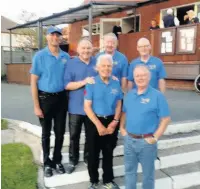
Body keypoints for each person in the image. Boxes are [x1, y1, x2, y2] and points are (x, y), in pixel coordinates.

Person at [120, 65, 171, 189]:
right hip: (129, 141)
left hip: (147, 142)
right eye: (137, 76)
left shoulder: (157, 96)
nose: (140, 78)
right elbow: (124, 112)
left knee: (148, 175)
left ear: (149, 77)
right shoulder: (130, 95)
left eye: (143, 75)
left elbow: (166, 119)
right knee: (129, 172)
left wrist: (155, 137)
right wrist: (121, 127)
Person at [30, 26, 70, 177]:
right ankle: (47, 163)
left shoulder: (66, 56)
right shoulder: (39, 56)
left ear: (60, 38)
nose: (55, 37)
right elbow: (33, 81)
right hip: (45, 99)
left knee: (60, 133)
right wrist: (36, 106)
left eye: (57, 35)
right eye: (52, 35)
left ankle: (57, 160)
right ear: (47, 37)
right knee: (46, 134)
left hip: (61, 99)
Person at [84, 54, 122, 189]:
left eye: (109, 66)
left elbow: (118, 104)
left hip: (111, 120)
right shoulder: (92, 83)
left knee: (108, 152)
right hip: (95, 121)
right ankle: (93, 181)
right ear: (97, 67)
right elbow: (87, 106)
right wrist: (99, 125)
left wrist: (115, 121)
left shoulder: (116, 82)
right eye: (103, 66)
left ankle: (108, 180)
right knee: (93, 153)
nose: (106, 68)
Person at [64, 38, 98, 174]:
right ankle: (73, 160)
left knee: (91, 136)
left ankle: (88, 158)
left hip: (93, 107)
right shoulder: (71, 64)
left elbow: (105, 76)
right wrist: (84, 82)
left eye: (88, 48)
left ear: (92, 50)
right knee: (74, 136)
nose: (86, 51)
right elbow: (66, 85)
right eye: (83, 48)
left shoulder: (97, 62)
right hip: (75, 107)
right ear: (78, 50)